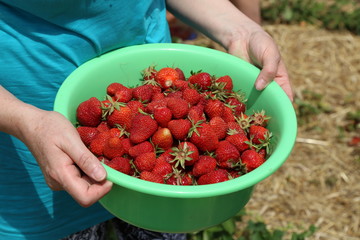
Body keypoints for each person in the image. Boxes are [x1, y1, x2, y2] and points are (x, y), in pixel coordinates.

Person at [0, 0, 293, 239]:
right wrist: (25, 120)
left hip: (156, 152)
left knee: (164, 226)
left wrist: (239, 29)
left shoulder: (171, 120)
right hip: (34, 125)